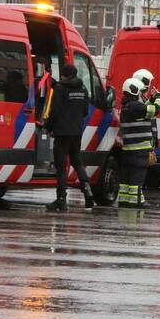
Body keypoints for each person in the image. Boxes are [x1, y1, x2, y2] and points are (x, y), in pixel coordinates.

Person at [43, 63, 95, 212]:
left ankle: (61, 200)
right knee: (77, 161)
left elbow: (55, 111)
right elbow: (85, 111)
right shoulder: (82, 88)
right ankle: (87, 191)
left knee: (61, 167)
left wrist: (48, 127)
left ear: (64, 74)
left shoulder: (60, 88)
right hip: (76, 132)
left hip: (62, 133)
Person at [119, 77, 160, 208]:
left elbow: (144, 109)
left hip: (128, 149)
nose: (141, 94)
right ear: (134, 92)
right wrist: (159, 97)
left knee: (126, 177)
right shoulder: (136, 107)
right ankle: (136, 201)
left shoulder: (126, 106)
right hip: (139, 151)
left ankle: (124, 200)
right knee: (137, 177)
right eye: (140, 92)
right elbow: (155, 109)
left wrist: (150, 98)